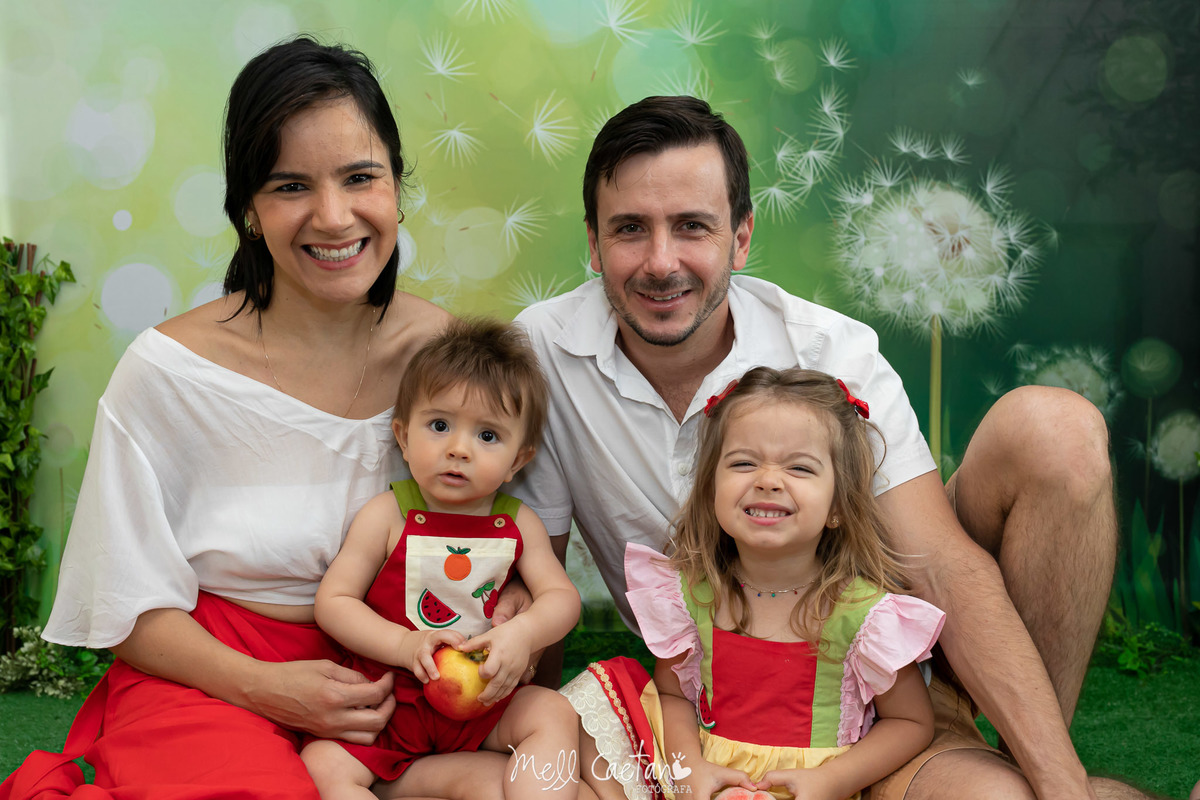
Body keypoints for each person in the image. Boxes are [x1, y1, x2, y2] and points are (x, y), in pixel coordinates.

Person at [511, 96, 1142, 799]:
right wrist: (529, 742)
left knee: (1057, 430)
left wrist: (1060, 789)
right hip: (703, 706)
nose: (661, 263)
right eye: (630, 229)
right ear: (594, 243)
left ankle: (1036, 767)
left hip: (869, 695)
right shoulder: (541, 350)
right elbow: (532, 564)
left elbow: (941, 567)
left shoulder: (828, 349)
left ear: (741, 238)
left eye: (692, 226)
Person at [1, 38, 458, 800]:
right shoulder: (170, 372)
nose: (333, 216)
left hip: (392, 683)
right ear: (248, 208)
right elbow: (124, 608)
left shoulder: (449, 358)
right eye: (290, 186)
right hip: (211, 677)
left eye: (360, 177)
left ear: (397, 186)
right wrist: (268, 687)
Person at [582, 367, 946, 800]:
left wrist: (833, 780)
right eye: (743, 463)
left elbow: (910, 722)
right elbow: (673, 696)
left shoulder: (864, 616)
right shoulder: (691, 596)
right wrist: (690, 770)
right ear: (711, 490)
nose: (768, 480)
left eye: (799, 467)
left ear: (838, 506)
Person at [298, 318, 587, 800]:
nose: (458, 449)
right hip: (387, 700)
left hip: (485, 699)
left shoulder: (518, 522)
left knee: (553, 712)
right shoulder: (388, 514)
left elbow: (561, 598)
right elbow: (334, 601)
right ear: (403, 436)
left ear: (519, 460)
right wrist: (403, 644)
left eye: (488, 436)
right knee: (321, 765)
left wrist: (523, 634)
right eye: (439, 426)